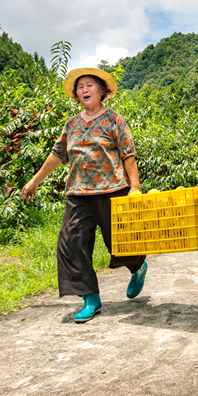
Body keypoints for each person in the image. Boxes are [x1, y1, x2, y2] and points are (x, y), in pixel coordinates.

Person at [21, 67, 148, 323]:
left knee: (121, 244)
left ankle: (138, 266)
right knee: (71, 243)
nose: (85, 90)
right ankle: (90, 298)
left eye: (90, 85)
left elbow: (128, 154)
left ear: (102, 91)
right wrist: (35, 181)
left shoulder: (115, 120)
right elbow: (58, 154)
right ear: (76, 95)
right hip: (78, 192)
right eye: (80, 87)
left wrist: (134, 186)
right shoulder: (72, 124)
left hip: (113, 190)